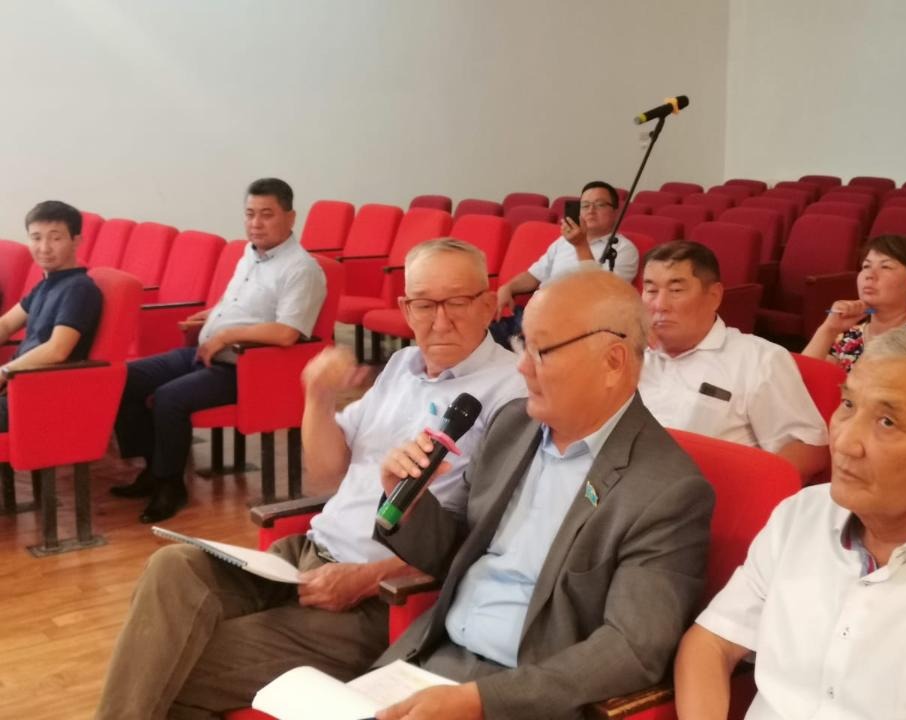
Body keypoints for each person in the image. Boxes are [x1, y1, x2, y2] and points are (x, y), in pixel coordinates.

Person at [94, 239, 526, 720]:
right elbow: (325, 474)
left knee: (167, 667)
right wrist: (317, 397)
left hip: (377, 597)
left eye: (457, 302)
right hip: (304, 556)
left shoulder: (511, 393)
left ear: (488, 304)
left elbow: (485, 541)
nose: (440, 321)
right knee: (173, 567)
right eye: (425, 304)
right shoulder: (402, 366)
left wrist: (366, 579)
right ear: (406, 308)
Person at [371, 269, 714, 720]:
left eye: (542, 351)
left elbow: (632, 647)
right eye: (522, 344)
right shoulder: (514, 424)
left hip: (523, 696)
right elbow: (457, 553)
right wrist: (411, 505)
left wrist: (479, 701)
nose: (522, 366)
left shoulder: (666, 490)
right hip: (431, 659)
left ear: (613, 361)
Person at [674, 326, 906, 720]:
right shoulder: (803, 513)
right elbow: (712, 641)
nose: (843, 442)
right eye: (848, 404)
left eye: (887, 423)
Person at [109, 178, 326, 523]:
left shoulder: (301, 269)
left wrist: (226, 336)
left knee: (169, 398)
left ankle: (170, 485)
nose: (256, 223)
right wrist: (211, 316)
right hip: (208, 353)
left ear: (290, 217)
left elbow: (287, 332)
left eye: (266, 214)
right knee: (124, 378)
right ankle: (151, 467)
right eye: (250, 214)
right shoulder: (250, 254)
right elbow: (242, 303)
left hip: (246, 368)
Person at [639, 240, 829, 479]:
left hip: (703, 491)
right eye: (651, 291)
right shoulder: (629, 352)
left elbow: (809, 449)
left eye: (676, 290)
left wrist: (748, 490)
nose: (659, 305)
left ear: (714, 296)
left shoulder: (759, 359)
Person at [490, 180, 639, 345]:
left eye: (600, 205)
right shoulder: (563, 242)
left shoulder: (623, 249)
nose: (591, 211)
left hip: (570, 329)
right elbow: (534, 275)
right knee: (478, 334)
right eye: (585, 205)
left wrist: (581, 245)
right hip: (531, 317)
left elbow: (602, 295)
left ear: (615, 212)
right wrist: (508, 287)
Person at [0, 201, 102, 431]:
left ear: (76, 241)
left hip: (37, 397)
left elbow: (57, 349)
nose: (44, 248)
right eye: (36, 238)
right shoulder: (47, 284)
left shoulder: (79, 289)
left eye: (55, 238)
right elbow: (6, 325)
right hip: (17, 388)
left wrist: (5, 372)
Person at [803, 234, 906, 372]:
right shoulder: (849, 337)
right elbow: (801, 380)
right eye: (866, 266)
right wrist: (829, 329)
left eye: (886, 267)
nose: (869, 275)